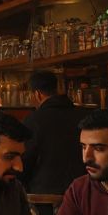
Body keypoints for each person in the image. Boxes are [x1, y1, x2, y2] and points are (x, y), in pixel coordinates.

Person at [22, 71, 89, 201]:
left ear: (37, 94)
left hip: (45, 196)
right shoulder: (83, 116)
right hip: (82, 192)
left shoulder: (33, 120)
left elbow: (25, 160)